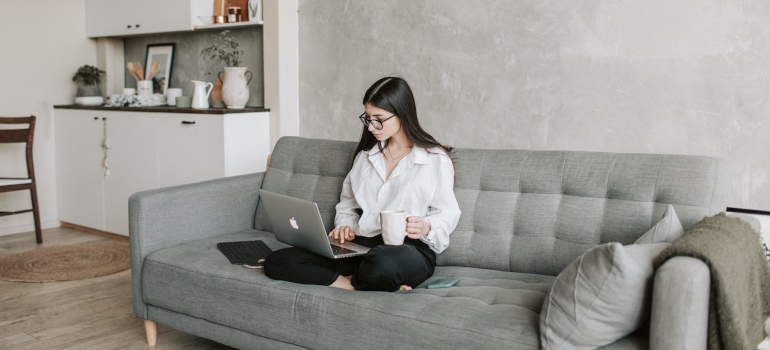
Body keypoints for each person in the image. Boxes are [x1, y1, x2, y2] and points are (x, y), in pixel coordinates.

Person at [264, 77, 461, 292]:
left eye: (379, 119)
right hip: (361, 245)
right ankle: (351, 283)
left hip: (407, 249)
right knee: (278, 260)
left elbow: (447, 213)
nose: (371, 127)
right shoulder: (366, 157)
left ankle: (370, 277)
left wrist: (426, 227)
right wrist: (344, 226)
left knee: (383, 262)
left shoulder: (434, 159)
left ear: (402, 113)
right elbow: (348, 205)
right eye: (367, 118)